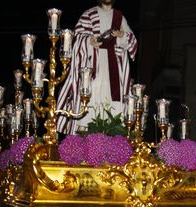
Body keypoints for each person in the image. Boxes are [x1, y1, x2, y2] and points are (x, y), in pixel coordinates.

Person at [56, 0, 138, 134]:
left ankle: (111, 132)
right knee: (91, 97)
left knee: (112, 102)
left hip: (113, 69)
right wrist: (89, 41)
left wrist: (122, 35)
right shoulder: (88, 15)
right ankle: (86, 133)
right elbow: (77, 37)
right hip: (92, 65)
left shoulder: (119, 17)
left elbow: (131, 40)